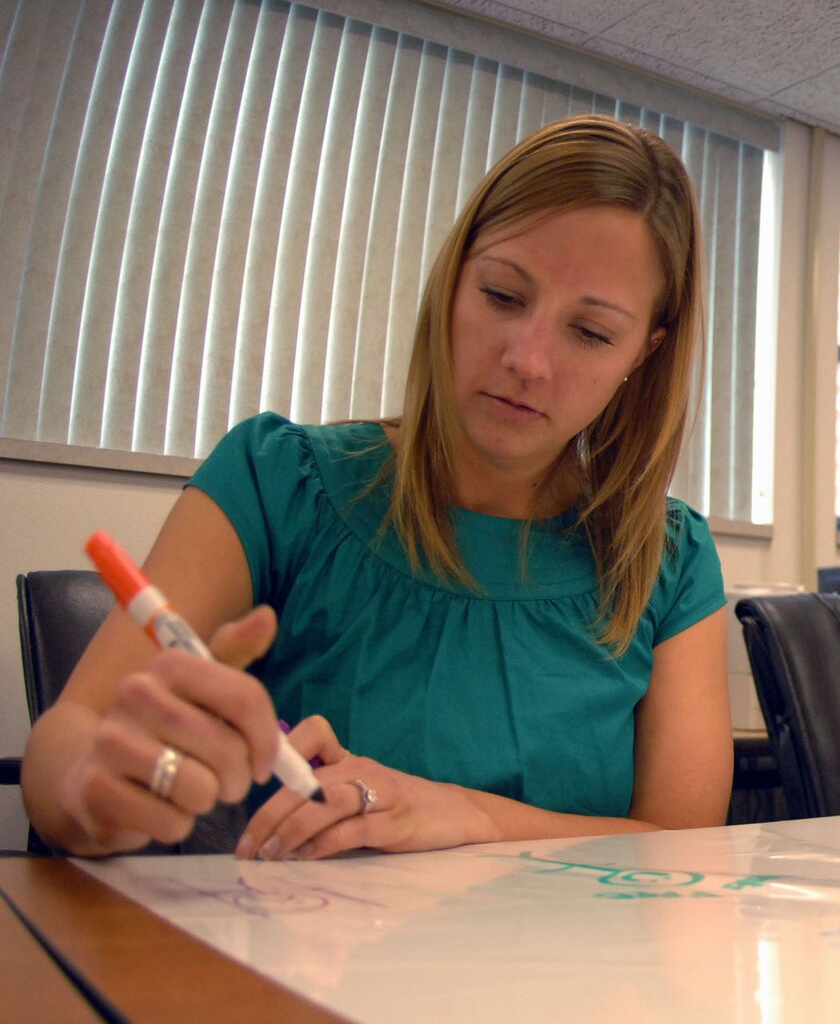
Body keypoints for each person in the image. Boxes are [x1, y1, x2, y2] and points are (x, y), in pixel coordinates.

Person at [23, 115, 732, 859]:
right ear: (453, 279)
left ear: (644, 356)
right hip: (296, 965)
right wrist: (90, 788)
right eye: (500, 294)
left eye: (589, 333)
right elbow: (66, 745)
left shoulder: (669, 558)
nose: (526, 360)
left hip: (581, 975)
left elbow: (683, 846)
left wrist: (467, 816)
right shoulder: (277, 481)